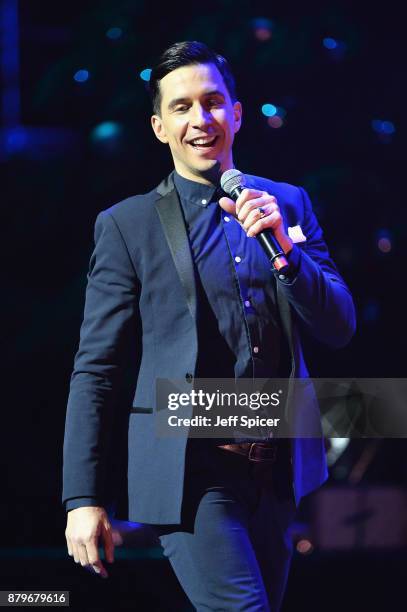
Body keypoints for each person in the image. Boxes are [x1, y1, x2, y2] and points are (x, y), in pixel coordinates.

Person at [63, 41, 356, 611]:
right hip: (191, 475)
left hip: (277, 474)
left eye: (214, 102)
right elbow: (96, 370)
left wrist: (290, 259)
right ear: (159, 127)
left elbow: (339, 324)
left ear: (237, 114)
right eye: (182, 107)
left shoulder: (287, 205)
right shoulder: (130, 225)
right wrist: (83, 498)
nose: (201, 119)